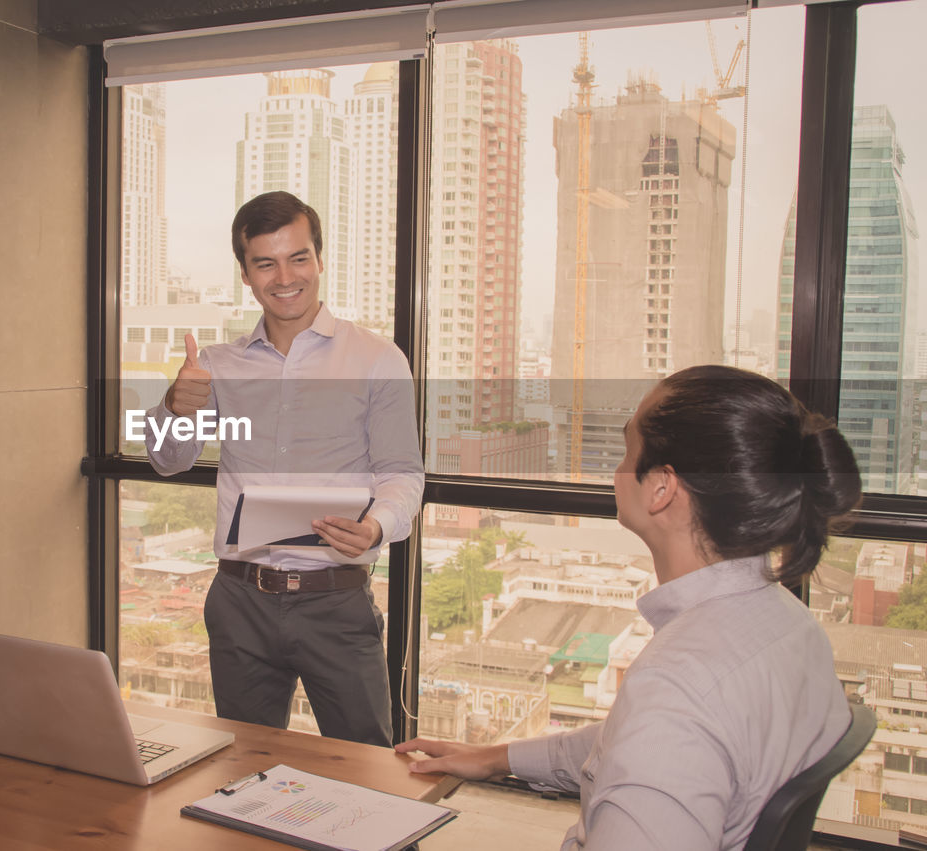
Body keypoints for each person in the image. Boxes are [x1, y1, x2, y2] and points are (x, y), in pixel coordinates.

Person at [396, 364, 863, 850]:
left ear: (662, 486)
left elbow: (662, 730)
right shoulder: (788, 623)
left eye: (627, 450)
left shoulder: (677, 688)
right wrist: (496, 758)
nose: (617, 471)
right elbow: (633, 742)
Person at [147, 191, 424, 746]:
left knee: (366, 772)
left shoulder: (376, 359)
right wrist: (176, 407)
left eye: (298, 257)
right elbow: (168, 461)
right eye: (265, 263)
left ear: (319, 259)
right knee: (243, 769)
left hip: (336, 602)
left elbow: (402, 472)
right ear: (246, 274)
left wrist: (376, 526)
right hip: (239, 602)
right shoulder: (217, 365)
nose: (285, 276)